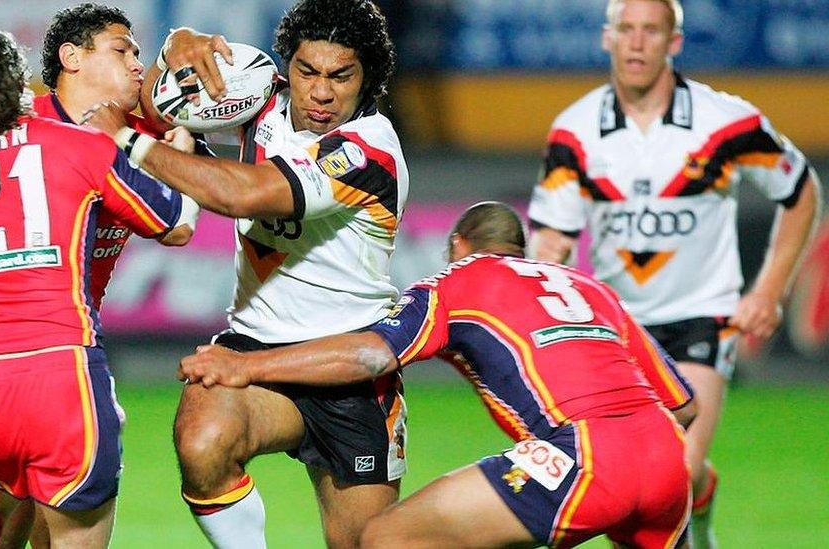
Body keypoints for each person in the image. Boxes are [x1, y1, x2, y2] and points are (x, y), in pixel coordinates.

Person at [180, 201, 698, 548]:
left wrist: (245, 365)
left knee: (385, 540)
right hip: (668, 461)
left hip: (584, 458)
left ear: (456, 244)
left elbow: (371, 356)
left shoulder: (459, 280)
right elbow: (685, 405)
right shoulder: (587, 287)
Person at [84, 1, 406, 546]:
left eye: (340, 76)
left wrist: (130, 141)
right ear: (289, 68)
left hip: (344, 369)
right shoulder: (262, 97)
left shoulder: (368, 152)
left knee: (366, 542)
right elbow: (159, 100)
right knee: (202, 440)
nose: (321, 93)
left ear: (367, 77)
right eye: (308, 72)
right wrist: (174, 46)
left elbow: (245, 194)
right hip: (253, 349)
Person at [526, 1, 822, 546]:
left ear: (674, 42)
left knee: (671, 475)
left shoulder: (725, 122)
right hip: (617, 332)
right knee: (635, 481)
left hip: (702, 320)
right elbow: (554, 233)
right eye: (627, 30)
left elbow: (801, 189)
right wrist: (545, 258)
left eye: (651, 31)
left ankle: (693, 496)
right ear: (606, 38)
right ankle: (702, 496)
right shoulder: (574, 130)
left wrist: (769, 291)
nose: (637, 43)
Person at [0, 12, 192, 548]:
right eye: (122, 51)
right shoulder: (79, 145)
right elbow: (176, 222)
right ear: (20, 77)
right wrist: (179, 156)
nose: (134, 64)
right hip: (63, 364)